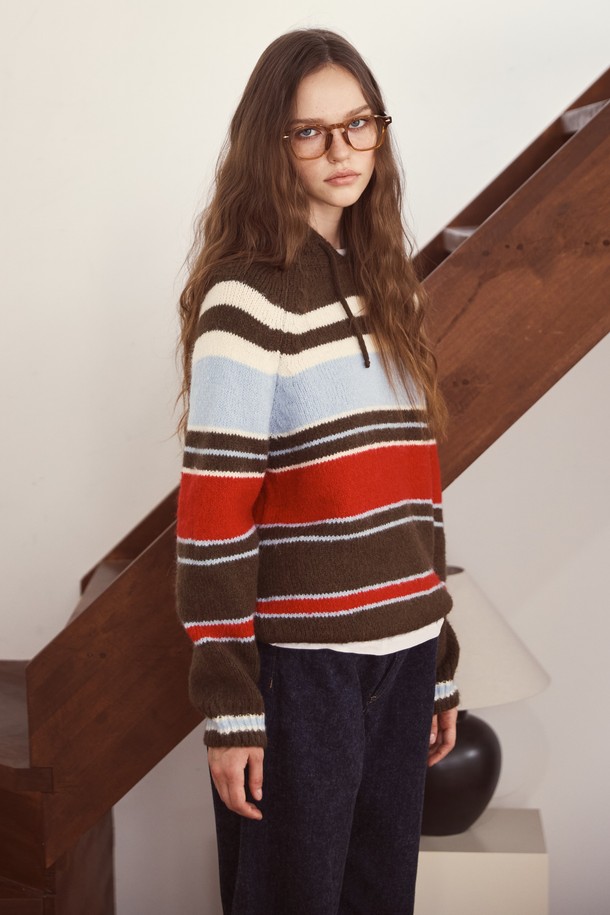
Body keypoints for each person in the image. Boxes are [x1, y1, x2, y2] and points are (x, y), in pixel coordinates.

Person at [176, 27, 460, 915]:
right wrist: (232, 706)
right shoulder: (245, 296)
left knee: (381, 899)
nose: (342, 150)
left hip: (404, 658)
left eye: (358, 123)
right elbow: (214, 518)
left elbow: (418, 492)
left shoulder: (391, 284)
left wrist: (439, 655)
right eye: (311, 131)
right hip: (304, 675)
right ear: (272, 144)